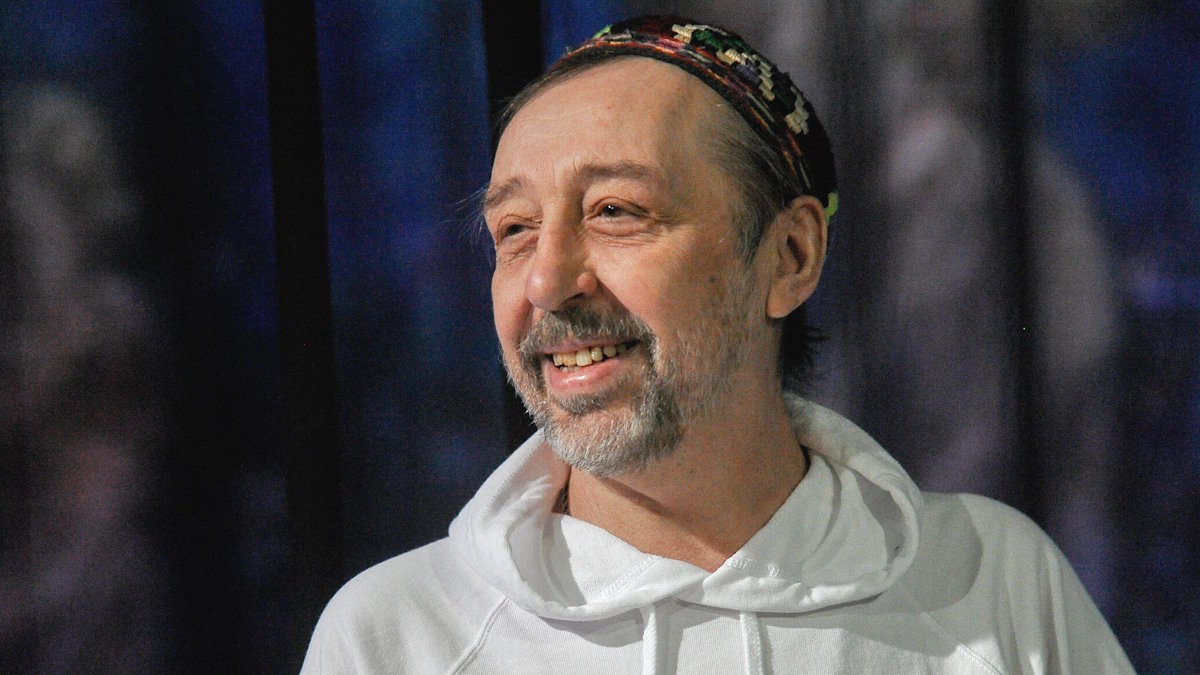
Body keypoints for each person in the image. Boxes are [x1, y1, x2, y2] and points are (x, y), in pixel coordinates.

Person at [301, 16, 1132, 673]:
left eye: (616, 211)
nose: (546, 282)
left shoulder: (992, 583)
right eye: (514, 230)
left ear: (790, 256)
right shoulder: (398, 635)